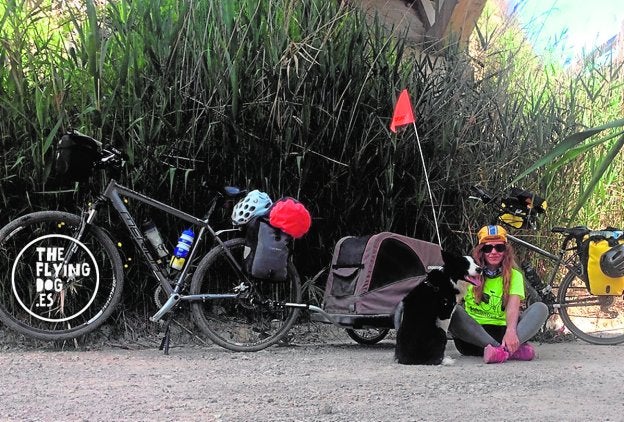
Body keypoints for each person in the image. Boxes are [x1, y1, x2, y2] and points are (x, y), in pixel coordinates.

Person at [448, 225, 549, 364]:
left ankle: (501, 351)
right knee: (452, 310)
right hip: (473, 339)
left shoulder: (515, 276)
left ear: (505, 251)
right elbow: (454, 301)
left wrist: (511, 331)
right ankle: (509, 351)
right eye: (488, 248)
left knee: (541, 308)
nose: (493, 252)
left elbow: (513, 307)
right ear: (481, 251)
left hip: (505, 335)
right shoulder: (467, 274)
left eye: (499, 248)